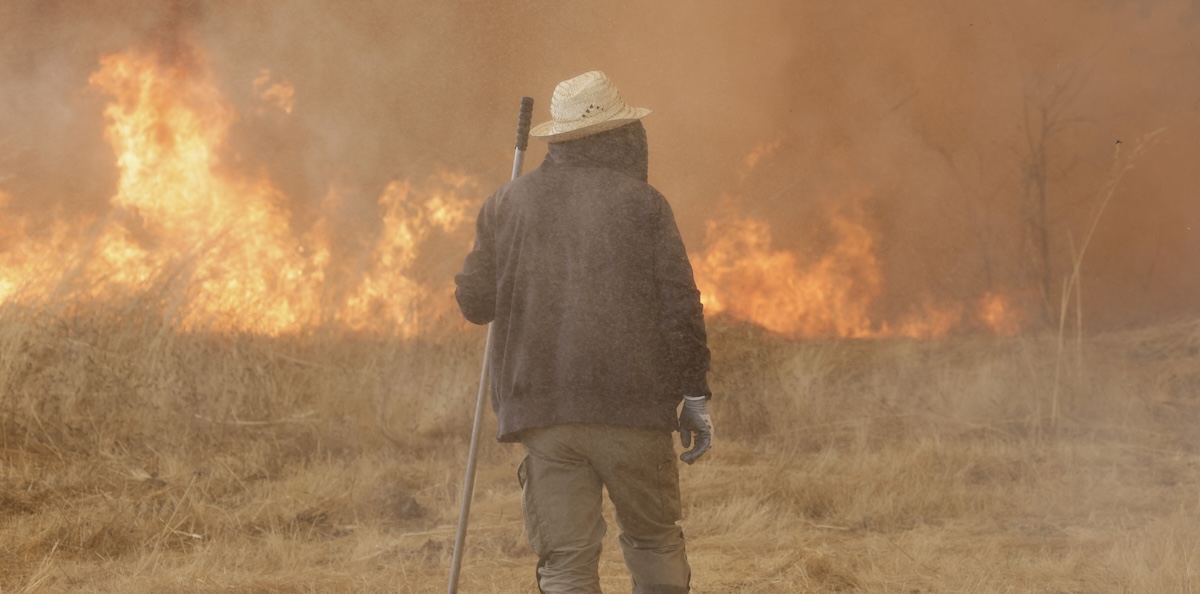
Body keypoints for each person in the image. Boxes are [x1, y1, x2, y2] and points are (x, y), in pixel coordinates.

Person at [454, 70, 714, 594]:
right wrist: (695, 396)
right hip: (635, 410)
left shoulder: (507, 203)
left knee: (567, 563)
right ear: (619, 135)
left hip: (546, 414)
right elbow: (680, 308)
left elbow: (475, 304)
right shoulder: (644, 204)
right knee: (655, 543)